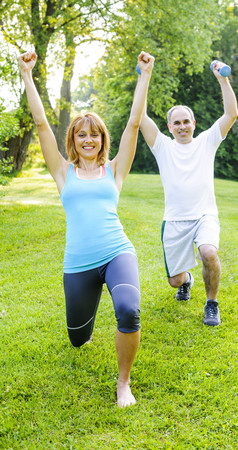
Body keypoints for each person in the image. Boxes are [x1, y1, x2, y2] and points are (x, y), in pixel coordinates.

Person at [18, 49, 154, 407]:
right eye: (81, 135)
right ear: (74, 141)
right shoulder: (63, 172)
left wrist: (144, 75)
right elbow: (42, 124)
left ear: (102, 139)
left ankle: (123, 383)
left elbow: (134, 124)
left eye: (94, 134)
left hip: (116, 252)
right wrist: (27, 75)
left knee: (128, 308)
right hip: (78, 264)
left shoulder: (115, 170)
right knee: (78, 338)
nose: (88, 140)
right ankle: (85, 325)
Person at [139, 60, 238, 326]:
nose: (182, 126)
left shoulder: (207, 141)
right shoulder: (162, 146)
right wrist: (144, 77)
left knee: (208, 252)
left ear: (193, 123)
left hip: (204, 215)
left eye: (186, 121)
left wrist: (222, 80)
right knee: (175, 281)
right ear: (169, 127)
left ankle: (211, 303)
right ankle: (187, 280)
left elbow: (231, 115)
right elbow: (139, 117)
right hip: (174, 220)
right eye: (176, 123)